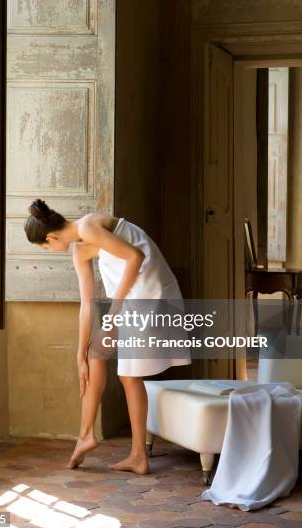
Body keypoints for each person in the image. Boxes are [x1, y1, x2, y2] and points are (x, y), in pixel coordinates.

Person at [24, 199, 191, 474]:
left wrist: (114, 313)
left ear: (52, 236)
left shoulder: (89, 226)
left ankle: (139, 456)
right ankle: (85, 435)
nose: (50, 251)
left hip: (151, 293)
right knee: (94, 353)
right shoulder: (79, 250)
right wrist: (79, 354)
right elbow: (86, 305)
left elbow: (136, 257)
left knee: (129, 376)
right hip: (129, 299)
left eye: (45, 247)